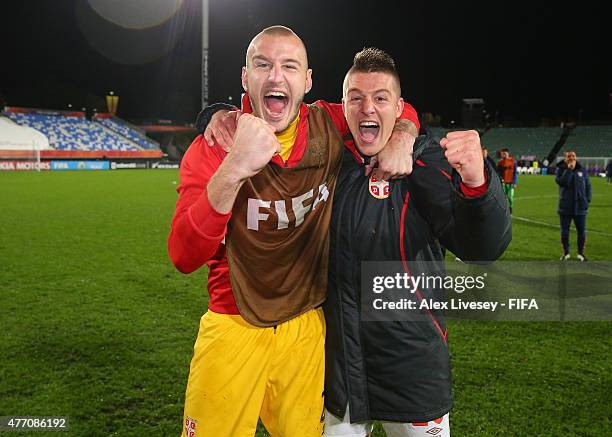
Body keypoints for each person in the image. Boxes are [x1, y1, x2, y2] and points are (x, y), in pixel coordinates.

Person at [167, 26, 419, 437]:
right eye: (262, 65)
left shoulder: (328, 123)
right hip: (233, 324)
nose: (276, 76)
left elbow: (389, 108)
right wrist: (232, 170)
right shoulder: (216, 145)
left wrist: (403, 135)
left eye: (289, 66)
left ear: (308, 80)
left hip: (306, 325)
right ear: (246, 77)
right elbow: (182, 255)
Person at [322, 48, 511, 437]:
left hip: (413, 375)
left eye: (380, 98)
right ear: (343, 107)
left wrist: (477, 182)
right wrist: (215, 115)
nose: (367, 108)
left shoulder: (424, 163)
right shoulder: (327, 162)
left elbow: (482, 249)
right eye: (355, 98)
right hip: (339, 379)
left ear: (399, 107)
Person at [556, 150, 591, 261]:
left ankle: (580, 253)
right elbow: (562, 182)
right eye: (569, 156)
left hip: (580, 207)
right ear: (565, 159)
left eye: (573, 156)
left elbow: (588, 186)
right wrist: (569, 170)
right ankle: (566, 253)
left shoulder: (582, 170)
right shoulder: (561, 170)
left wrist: (587, 200)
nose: (571, 157)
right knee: (564, 232)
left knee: (581, 231)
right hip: (565, 207)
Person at [497, 148, 517, 213]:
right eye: (503, 154)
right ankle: (505, 209)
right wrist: (500, 179)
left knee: (510, 197)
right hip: (503, 183)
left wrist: (515, 182)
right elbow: (498, 173)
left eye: (505, 153)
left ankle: (510, 207)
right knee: (503, 197)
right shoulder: (500, 163)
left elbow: (515, 172)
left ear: (508, 153)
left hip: (511, 183)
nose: (504, 155)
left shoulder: (513, 161)